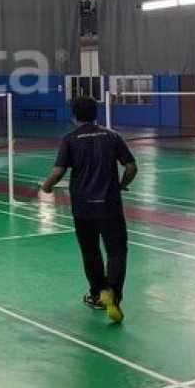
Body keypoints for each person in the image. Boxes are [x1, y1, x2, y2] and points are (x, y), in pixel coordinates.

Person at [40, 96, 137, 324]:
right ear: (96, 113)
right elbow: (131, 166)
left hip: (83, 208)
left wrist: (46, 187)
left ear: (74, 116)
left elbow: (59, 170)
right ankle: (112, 293)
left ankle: (97, 293)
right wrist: (121, 185)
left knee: (90, 251)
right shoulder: (112, 136)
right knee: (116, 252)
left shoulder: (70, 139)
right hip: (110, 206)